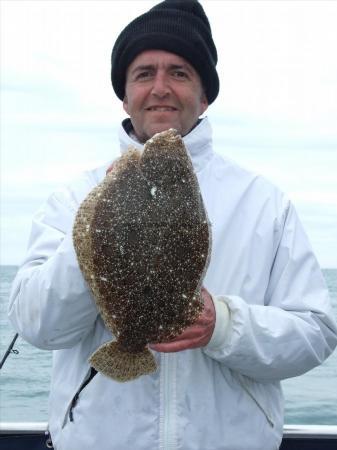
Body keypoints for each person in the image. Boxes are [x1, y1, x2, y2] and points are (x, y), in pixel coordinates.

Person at [8, 1, 337, 449]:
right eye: (144, 74)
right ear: (124, 95)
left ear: (205, 95)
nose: (160, 87)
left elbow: (316, 332)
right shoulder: (73, 198)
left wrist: (221, 325)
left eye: (179, 73)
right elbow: (37, 325)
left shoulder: (265, 203)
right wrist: (96, 230)